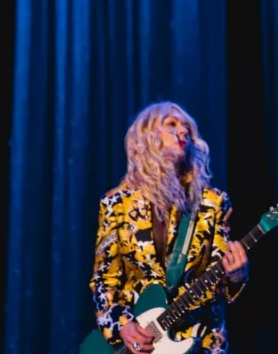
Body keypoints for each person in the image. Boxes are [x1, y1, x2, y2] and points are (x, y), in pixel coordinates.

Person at [89, 101, 249, 354]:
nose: (183, 131)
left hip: (199, 339)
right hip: (142, 341)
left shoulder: (211, 203)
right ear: (147, 137)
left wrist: (236, 275)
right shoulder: (116, 205)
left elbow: (219, 282)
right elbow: (104, 281)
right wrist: (123, 326)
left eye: (187, 127)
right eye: (171, 125)